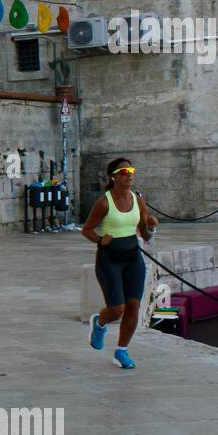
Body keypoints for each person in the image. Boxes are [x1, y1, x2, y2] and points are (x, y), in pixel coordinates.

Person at [82, 158, 159, 370]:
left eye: (131, 171)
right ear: (114, 176)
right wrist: (99, 239)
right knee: (117, 309)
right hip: (109, 260)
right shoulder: (104, 202)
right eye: (124, 172)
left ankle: (121, 351)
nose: (129, 175)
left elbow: (144, 234)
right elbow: (86, 229)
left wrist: (151, 227)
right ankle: (99, 322)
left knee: (134, 306)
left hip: (133, 258)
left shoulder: (138, 200)